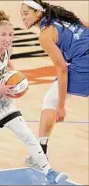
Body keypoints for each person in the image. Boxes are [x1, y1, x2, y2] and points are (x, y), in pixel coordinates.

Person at [0, 10, 68, 185]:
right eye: (3, 35)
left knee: (26, 134)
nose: (7, 38)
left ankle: (49, 172)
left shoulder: (8, 49)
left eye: (10, 35)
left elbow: (7, 65)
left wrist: (13, 77)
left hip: (2, 101)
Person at [20, 0, 89, 167]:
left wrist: (61, 106)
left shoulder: (45, 36)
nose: (23, 18)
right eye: (21, 15)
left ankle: (40, 155)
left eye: (26, 13)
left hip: (84, 63)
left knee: (50, 101)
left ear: (38, 13)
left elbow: (62, 69)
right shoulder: (64, 17)